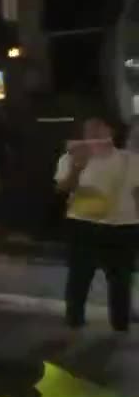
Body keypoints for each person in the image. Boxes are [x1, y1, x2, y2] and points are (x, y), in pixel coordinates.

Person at [54, 116, 138, 339]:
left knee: (121, 280)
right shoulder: (70, 158)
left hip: (123, 226)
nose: (93, 134)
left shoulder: (130, 160)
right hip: (83, 224)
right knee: (80, 276)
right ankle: (74, 321)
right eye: (88, 131)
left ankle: (120, 326)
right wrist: (76, 168)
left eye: (98, 129)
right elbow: (63, 189)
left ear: (110, 131)